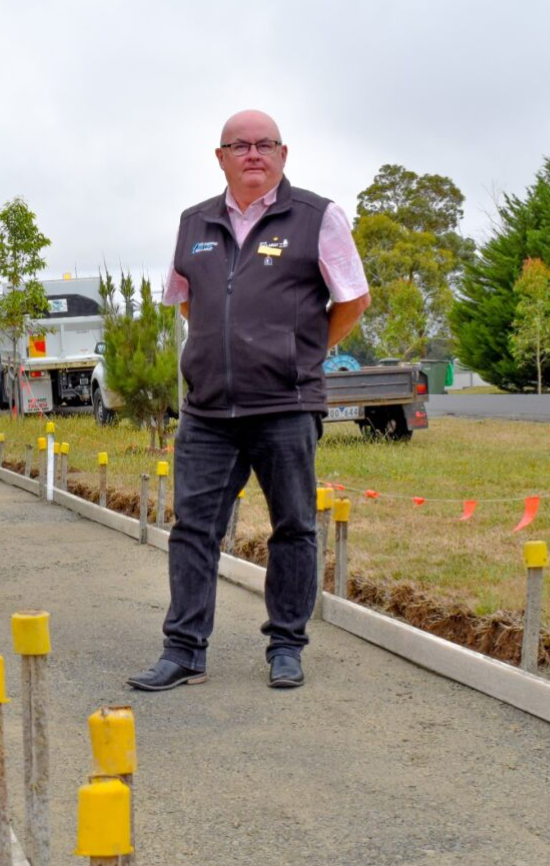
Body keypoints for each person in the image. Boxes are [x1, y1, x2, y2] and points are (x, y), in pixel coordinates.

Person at [126, 109, 370, 692]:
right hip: (209, 411)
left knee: (293, 528)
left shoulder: (318, 217)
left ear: (284, 153)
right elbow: (186, 302)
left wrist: (298, 352)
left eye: (265, 144)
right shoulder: (194, 224)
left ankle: (286, 646)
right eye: (240, 145)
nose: (253, 154)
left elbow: (353, 301)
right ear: (220, 158)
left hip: (285, 405)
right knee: (193, 529)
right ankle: (184, 651)